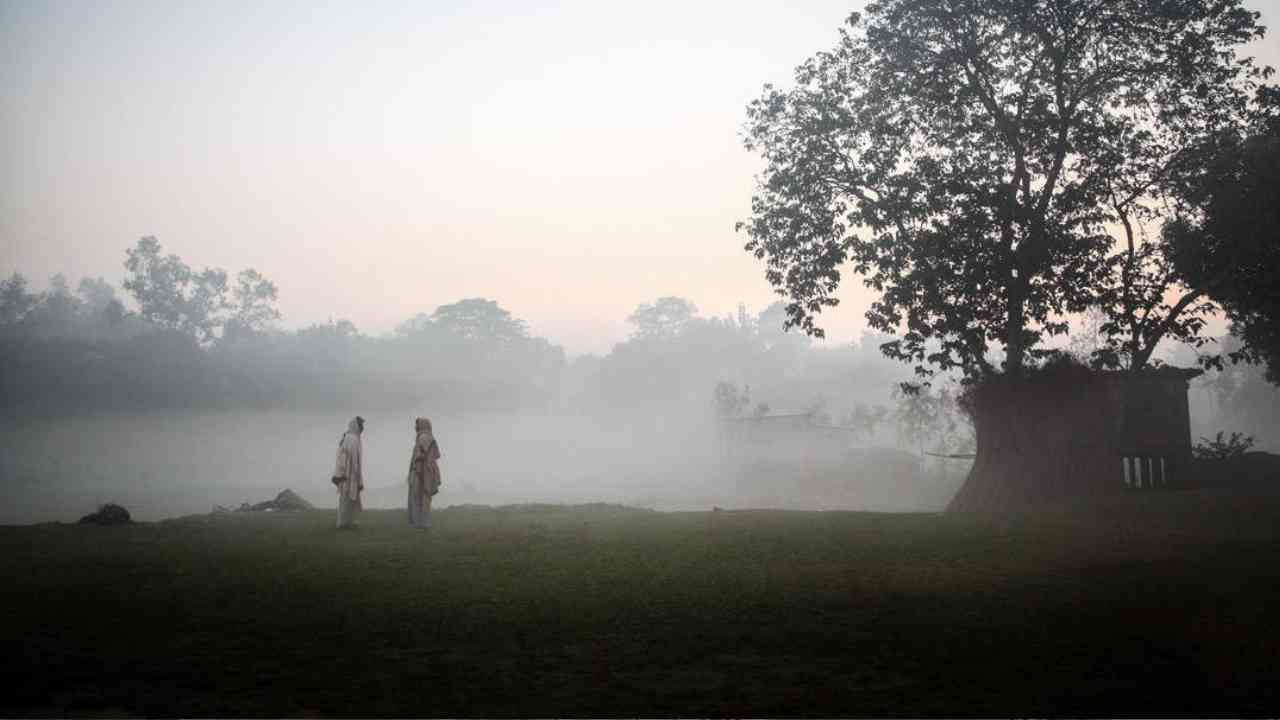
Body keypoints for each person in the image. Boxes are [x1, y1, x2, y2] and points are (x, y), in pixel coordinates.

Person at [406, 417, 442, 529]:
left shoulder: (424, 437)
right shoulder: (425, 436)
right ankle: (421, 523)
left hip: (421, 472)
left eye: (417, 425)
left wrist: (418, 467)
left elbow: (422, 455)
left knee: (418, 497)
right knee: (422, 498)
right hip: (423, 471)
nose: (415, 427)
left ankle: (420, 523)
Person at [332, 416, 365, 529]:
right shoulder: (352, 439)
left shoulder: (352, 437)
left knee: (349, 499)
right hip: (348, 474)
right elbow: (349, 458)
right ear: (356, 426)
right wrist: (356, 476)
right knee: (347, 498)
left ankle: (347, 522)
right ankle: (342, 523)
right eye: (361, 425)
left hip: (349, 474)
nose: (362, 427)